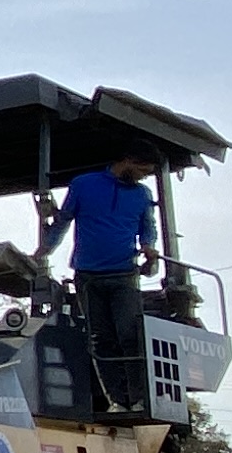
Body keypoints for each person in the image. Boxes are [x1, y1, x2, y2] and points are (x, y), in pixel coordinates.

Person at [44, 151, 162, 410]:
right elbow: (63, 220)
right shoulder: (84, 184)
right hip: (87, 275)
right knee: (100, 339)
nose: (145, 177)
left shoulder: (142, 195)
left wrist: (149, 246)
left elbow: (148, 227)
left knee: (130, 335)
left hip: (124, 274)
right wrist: (44, 251)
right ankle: (118, 400)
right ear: (128, 159)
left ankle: (139, 398)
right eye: (143, 170)